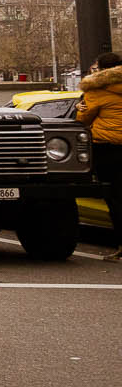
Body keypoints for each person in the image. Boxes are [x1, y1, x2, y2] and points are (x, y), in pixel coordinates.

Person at [76, 51, 122, 259]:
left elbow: (83, 119)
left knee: (115, 199)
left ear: (102, 69)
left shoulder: (96, 90)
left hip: (109, 149)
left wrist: (79, 107)